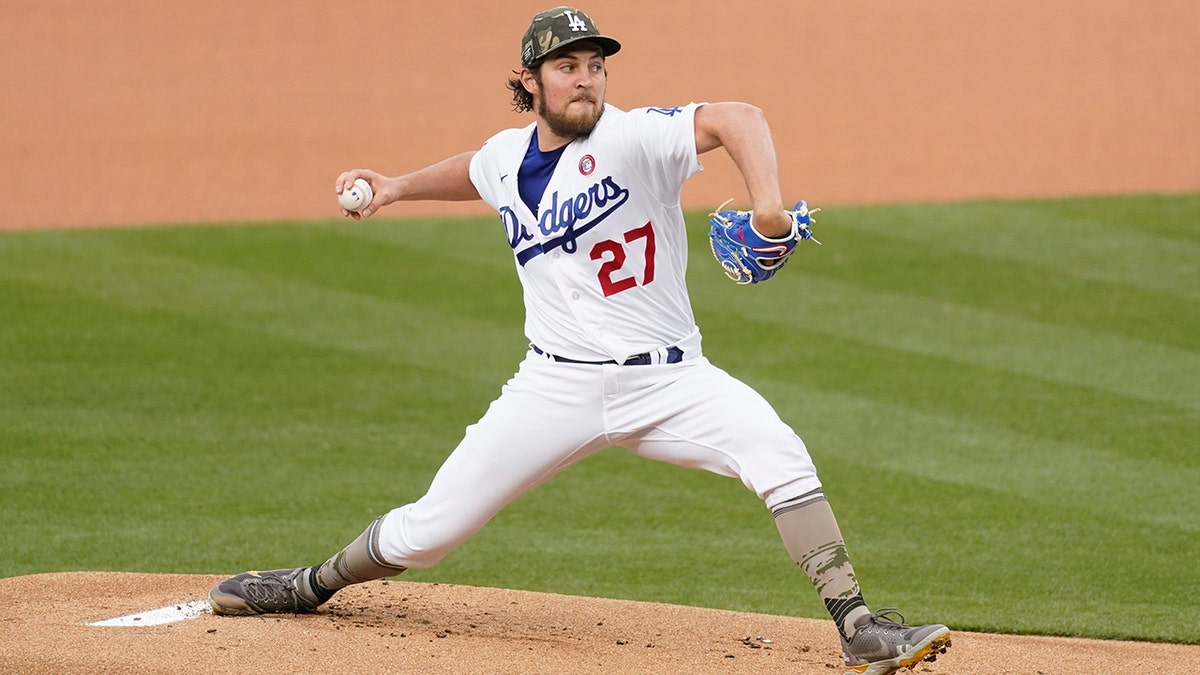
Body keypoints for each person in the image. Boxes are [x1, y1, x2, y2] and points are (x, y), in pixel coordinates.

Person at [207, 7, 952, 674]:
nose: (586, 80)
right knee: (429, 531)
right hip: (552, 387)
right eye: (567, 67)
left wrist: (767, 210)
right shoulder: (506, 155)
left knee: (779, 451)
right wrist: (398, 185)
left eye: (596, 66)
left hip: (671, 382)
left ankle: (858, 626)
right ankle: (308, 584)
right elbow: (475, 170)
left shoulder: (636, 137)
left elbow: (739, 117)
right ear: (529, 80)